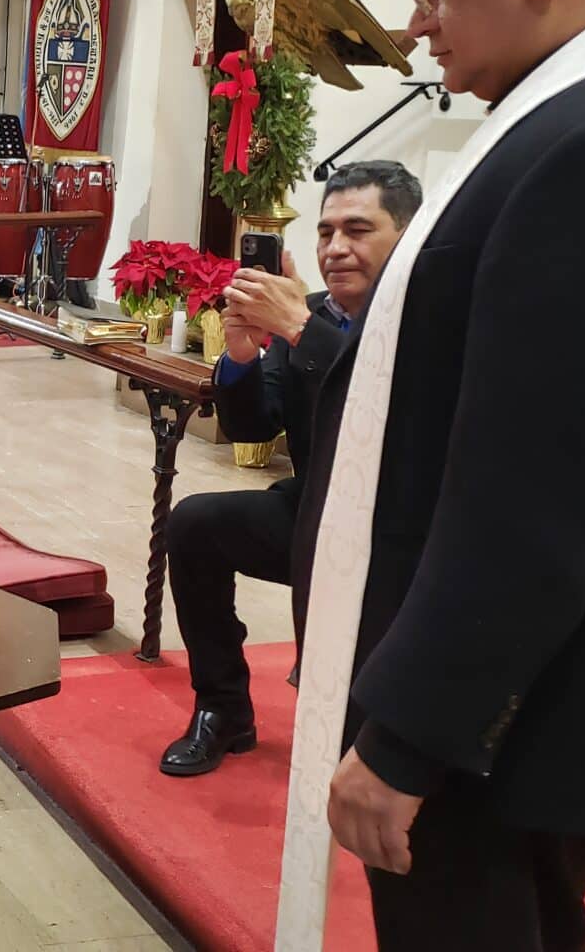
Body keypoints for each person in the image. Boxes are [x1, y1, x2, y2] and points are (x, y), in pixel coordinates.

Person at [277, 0, 585, 947]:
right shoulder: (558, 121)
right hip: (507, 706)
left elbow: (539, 500)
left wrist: (410, 737)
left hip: (495, 731)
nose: (417, 22)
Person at [158, 162, 419, 777]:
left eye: (358, 229)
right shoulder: (316, 313)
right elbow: (252, 427)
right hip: (318, 511)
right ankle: (224, 708)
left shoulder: (429, 316)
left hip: (404, 531)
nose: (335, 248)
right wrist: (244, 355)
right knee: (197, 525)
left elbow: (396, 408)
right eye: (325, 232)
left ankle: (380, 737)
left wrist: (300, 328)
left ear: (407, 237)